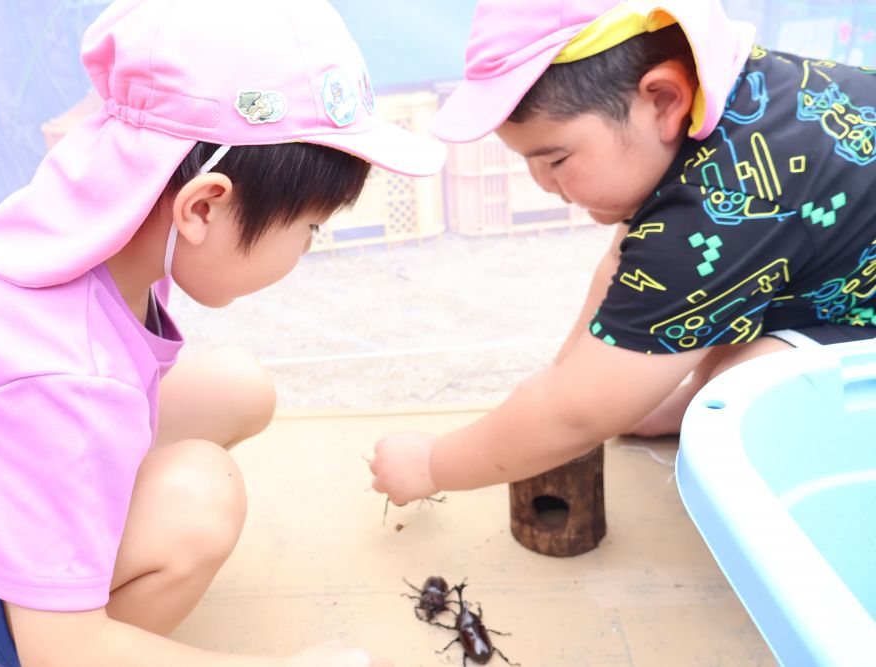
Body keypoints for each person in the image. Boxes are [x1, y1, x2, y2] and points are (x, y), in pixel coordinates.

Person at [0, 1, 444, 665]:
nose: (307, 247)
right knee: (200, 498)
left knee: (239, 387)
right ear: (203, 205)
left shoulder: (102, 221)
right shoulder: (53, 365)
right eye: (310, 228)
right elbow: (62, 645)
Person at [368, 0, 876, 504]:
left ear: (663, 99)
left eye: (556, 159)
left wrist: (433, 464)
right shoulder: (731, 95)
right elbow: (623, 270)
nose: (543, 184)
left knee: (751, 396)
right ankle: (678, 401)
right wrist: (566, 376)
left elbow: (578, 414)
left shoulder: (725, 208)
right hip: (847, 284)